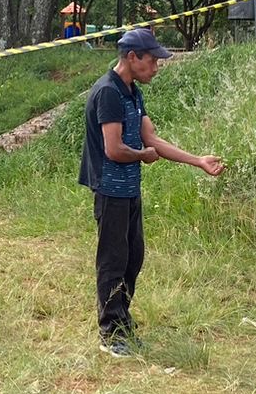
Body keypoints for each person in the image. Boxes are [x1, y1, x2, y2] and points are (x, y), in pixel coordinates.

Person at [78, 29, 224, 357]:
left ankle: (122, 322)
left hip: (130, 190)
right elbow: (114, 149)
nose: (156, 67)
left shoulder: (132, 92)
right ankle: (110, 334)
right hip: (111, 191)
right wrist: (142, 156)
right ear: (132, 58)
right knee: (113, 261)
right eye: (152, 60)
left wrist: (198, 161)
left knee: (133, 256)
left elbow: (152, 140)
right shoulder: (109, 93)